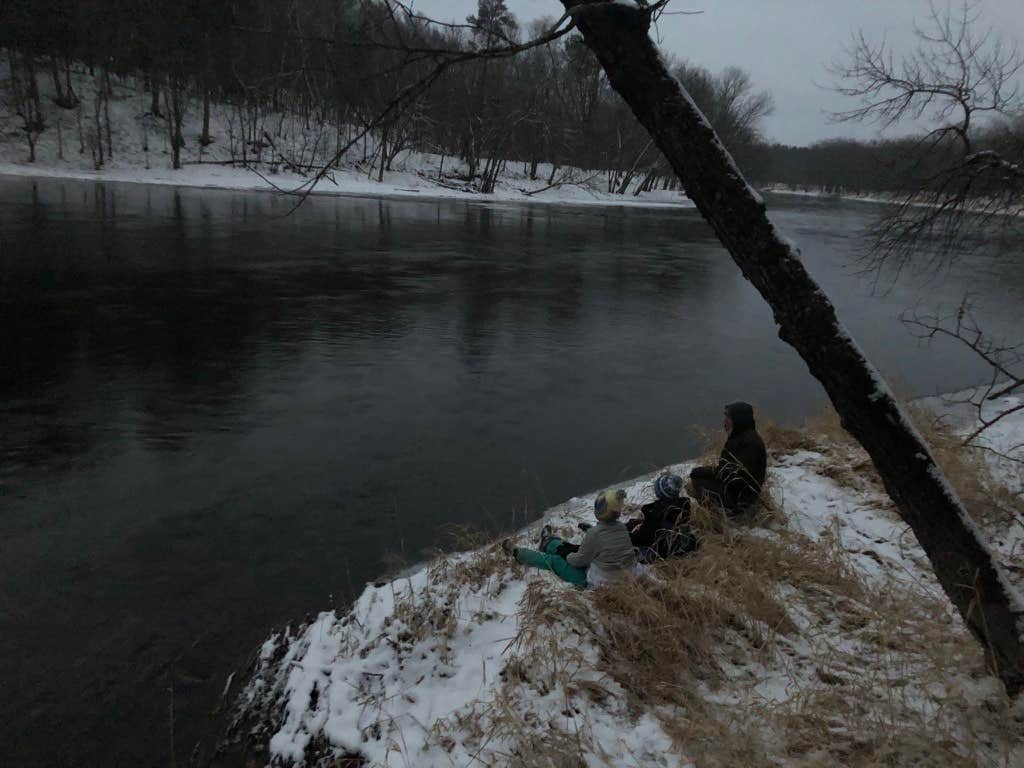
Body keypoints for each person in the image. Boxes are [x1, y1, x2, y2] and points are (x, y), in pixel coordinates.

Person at [504, 489, 638, 588]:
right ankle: (549, 542)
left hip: (596, 583)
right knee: (577, 549)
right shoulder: (621, 528)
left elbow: (578, 561)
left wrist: (566, 556)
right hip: (622, 578)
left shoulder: (595, 534)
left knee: (556, 560)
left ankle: (518, 553)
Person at [689, 401, 767, 514]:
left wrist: (706, 472)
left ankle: (720, 514)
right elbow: (728, 470)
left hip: (740, 498)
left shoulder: (749, 444)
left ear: (738, 420)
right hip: (738, 490)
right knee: (698, 474)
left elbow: (734, 475)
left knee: (698, 479)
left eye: (728, 417)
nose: (724, 421)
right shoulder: (741, 436)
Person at [625, 474, 697, 562]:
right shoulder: (681, 505)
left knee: (627, 536)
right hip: (679, 542)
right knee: (633, 523)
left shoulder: (656, 515)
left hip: (665, 550)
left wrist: (633, 533)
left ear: (661, 493)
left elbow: (642, 538)